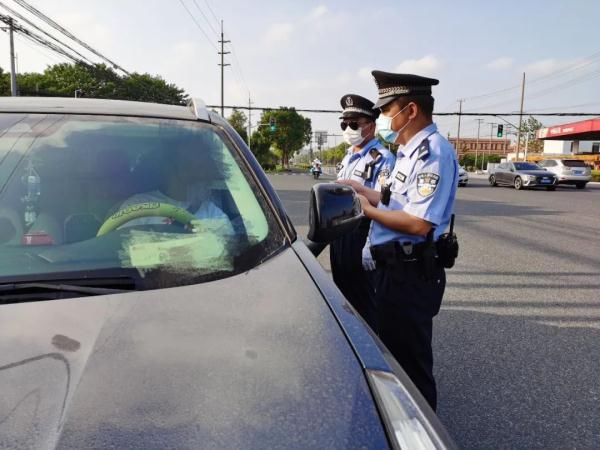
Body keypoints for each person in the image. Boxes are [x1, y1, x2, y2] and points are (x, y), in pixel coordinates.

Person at [340, 71, 458, 411]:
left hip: (410, 272)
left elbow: (419, 223)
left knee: (411, 367)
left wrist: (366, 210)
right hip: (391, 268)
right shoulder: (407, 151)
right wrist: (367, 193)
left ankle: (421, 432)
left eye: (387, 109)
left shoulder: (432, 153)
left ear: (409, 110)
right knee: (394, 357)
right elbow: (397, 202)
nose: (385, 118)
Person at [331, 94, 395, 330]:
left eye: (354, 124)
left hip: (362, 236)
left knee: (364, 303)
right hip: (341, 235)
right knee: (343, 296)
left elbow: (386, 205)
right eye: (344, 124)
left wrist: (370, 244)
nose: (349, 129)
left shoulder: (383, 160)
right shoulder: (349, 156)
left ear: (371, 126)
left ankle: (372, 355)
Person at [116, 139, 234, 236]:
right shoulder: (137, 207)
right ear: (170, 167)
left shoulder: (213, 214)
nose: (203, 175)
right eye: (191, 165)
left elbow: (229, 256)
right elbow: (121, 252)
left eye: (204, 167)